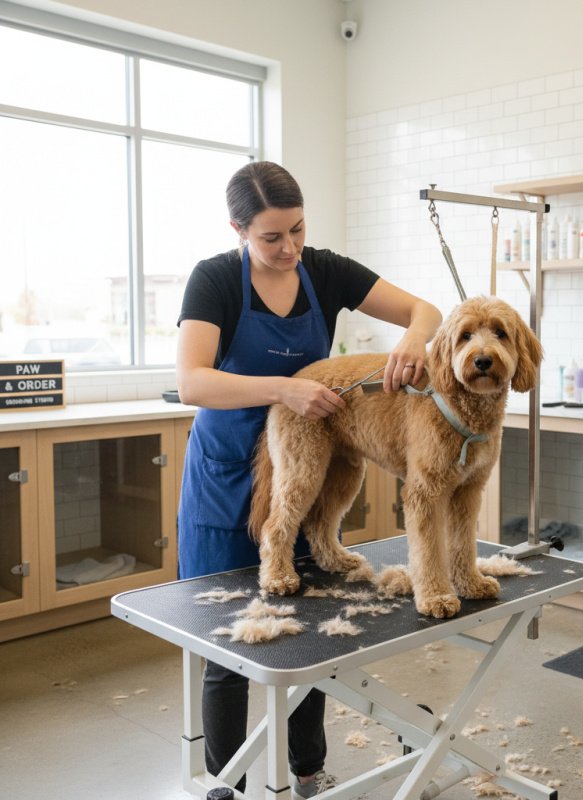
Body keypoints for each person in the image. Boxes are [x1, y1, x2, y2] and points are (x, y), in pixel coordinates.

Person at [175, 161, 442, 798]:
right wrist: (286, 391)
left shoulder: (323, 270)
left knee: (310, 638)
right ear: (238, 229)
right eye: (271, 238)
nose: (289, 248)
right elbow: (193, 381)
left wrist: (415, 340)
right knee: (231, 644)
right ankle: (227, 784)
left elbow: (423, 308)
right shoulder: (214, 279)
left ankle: (308, 770)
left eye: (297, 230)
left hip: (309, 464)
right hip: (229, 473)